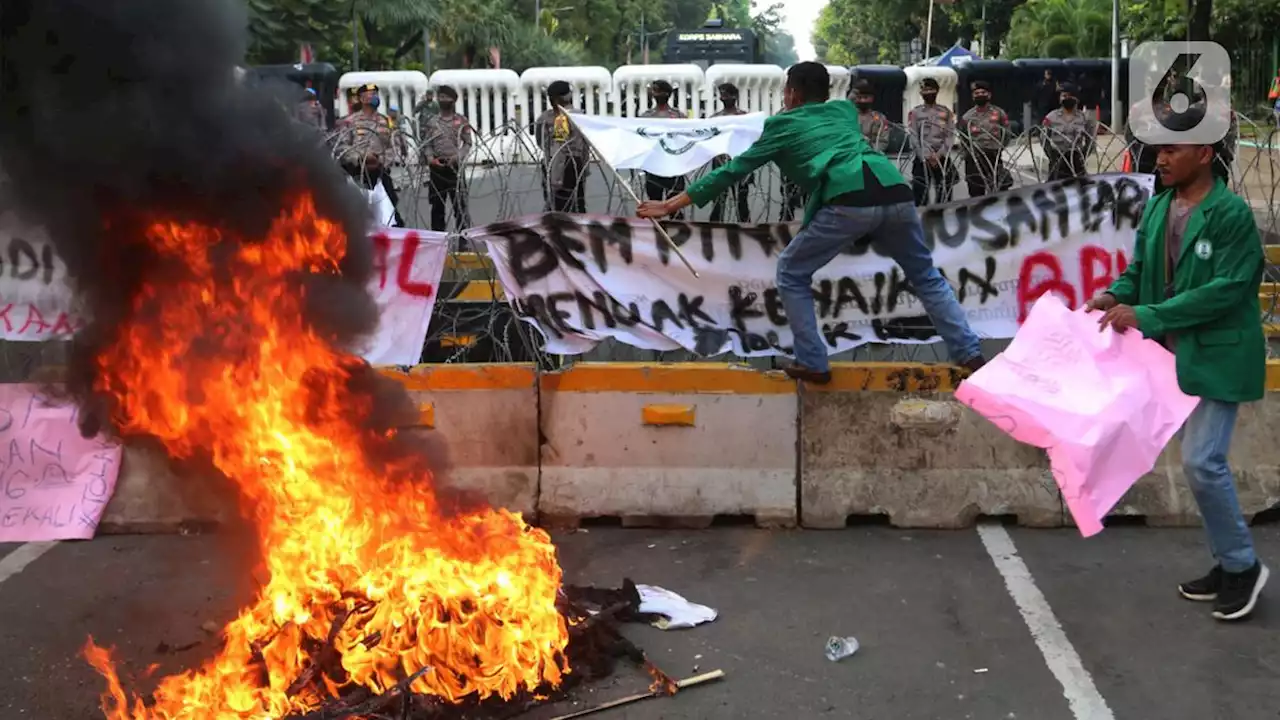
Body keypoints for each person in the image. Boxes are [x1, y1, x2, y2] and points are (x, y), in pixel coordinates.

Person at [636, 62, 986, 383]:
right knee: (925, 275)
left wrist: (671, 205)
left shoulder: (781, 125)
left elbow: (731, 171)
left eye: (786, 92)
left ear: (792, 94)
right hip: (895, 188)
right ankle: (970, 353)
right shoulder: (845, 110)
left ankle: (813, 362)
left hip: (850, 197)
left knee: (791, 271)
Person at [1084, 111, 1268, 622]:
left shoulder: (1230, 215)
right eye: (1158, 149)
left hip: (1219, 354)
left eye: (1172, 149)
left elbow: (1227, 290)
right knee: (1199, 466)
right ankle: (1229, 563)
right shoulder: (1162, 205)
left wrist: (1148, 314)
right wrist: (1113, 295)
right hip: (1174, 356)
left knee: (1202, 462)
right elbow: (1141, 270)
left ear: (1205, 154)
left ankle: (1244, 567)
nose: (1160, 158)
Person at [334, 82, 404, 227]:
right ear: (362, 99)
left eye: (376, 94)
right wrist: (360, 158)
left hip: (379, 172)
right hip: (358, 174)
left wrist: (382, 161)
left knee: (391, 213)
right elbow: (343, 146)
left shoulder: (385, 121)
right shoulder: (350, 121)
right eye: (371, 95)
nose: (374, 97)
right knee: (357, 214)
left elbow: (393, 145)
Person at [419, 85, 473, 232]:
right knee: (437, 206)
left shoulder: (461, 121)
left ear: (454, 100)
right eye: (441, 97)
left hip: (455, 167)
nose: (443, 100)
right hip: (437, 167)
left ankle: (463, 237)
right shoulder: (432, 121)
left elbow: (468, 143)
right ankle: (439, 237)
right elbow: (427, 144)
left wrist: (458, 156)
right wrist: (430, 159)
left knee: (460, 205)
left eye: (447, 97)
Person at [534, 80, 590, 214]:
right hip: (566, 162)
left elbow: (541, 142)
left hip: (566, 163)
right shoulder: (579, 116)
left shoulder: (551, 118)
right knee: (570, 202)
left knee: (564, 202)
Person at [640, 80, 688, 219]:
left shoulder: (679, 116)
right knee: (654, 203)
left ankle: (679, 234)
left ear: (667, 94)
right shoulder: (646, 116)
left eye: (658, 91)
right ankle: (656, 234)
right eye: (654, 91)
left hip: (674, 165)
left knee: (675, 204)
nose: (655, 94)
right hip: (653, 165)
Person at [907, 77, 957, 206]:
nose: (928, 92)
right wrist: (925, 156)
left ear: (937, 91)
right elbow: (913, 135)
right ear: (921, 93)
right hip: (922, 157)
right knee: (920, 192)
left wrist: (940, 154)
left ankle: (944, 218)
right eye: (925, 90)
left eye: (931, 89)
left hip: (942, 157)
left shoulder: (945, 112)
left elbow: (950, 135)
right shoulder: (915, 113)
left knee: (945, 191)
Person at [708, 83, 752, 224]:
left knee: (741, 200)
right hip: (720, 161)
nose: (723, 97)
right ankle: (715, 227)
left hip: (741, 162)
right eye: (722, 94)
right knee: (718, 200)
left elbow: (751, 139)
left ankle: (745, 226)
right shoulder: (715, 118)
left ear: (735, 96)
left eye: (726, 94)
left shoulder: (745, 117)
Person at [960, 81, 1011, 197]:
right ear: (973, 96)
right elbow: (963, 138)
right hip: (974, 158)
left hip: (993, 156)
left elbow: (1007, 132)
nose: (980, 95)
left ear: (989, 95)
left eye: (983, 92)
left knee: (998, 189)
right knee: (976, 191)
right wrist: (968, 153)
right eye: (976, 93)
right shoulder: (967, 116)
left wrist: (1000, 147)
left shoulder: (999, 113)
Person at [1041, 82, 1096, 181]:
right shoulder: (1051, 117)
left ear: (1076, 99)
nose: (1066, 98)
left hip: (1076, 161)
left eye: (1069, 96)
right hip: (1057, 160)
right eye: (1063, 96)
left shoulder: (1084, 118)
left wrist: (1082, 156)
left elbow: (1091, 140)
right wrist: (1051, 156)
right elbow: (1044, 139)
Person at [850, 79, 892, 154]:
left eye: (865, 97)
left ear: (872, 98)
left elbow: (883, 142)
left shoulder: (879, 119)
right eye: (859, 98)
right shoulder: (848, 116)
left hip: (870, 155)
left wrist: (870, 147)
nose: (862, 101)